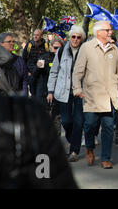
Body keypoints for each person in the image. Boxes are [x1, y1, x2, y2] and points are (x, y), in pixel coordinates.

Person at [0, 0, 77, 188]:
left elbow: (24, 76)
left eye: (13, 42)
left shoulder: (25, 114)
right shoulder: (27, 117)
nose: (12, 45)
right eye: (8, 42)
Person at [72, 21, 118, 169]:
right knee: (90, 125)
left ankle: (105, 158)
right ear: (98, 32)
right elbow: (77, 72)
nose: (111, 32)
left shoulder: (114, 49)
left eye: (110, 30)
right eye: (108, 30)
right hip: (91, 96)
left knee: (109, 127)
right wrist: (77, 88)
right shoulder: (86, 47)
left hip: (110, 96)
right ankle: (90, 148)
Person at [48, 26, 86, 162]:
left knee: (78, 121)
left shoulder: (85, 50)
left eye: (78, 37)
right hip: (63, 92)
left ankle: (74, 150)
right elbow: (54, 72)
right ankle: (72, 140)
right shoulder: (62, 50)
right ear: (70, 37)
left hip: (80, 92)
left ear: (82, 39)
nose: (75, 39)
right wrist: (50, 91)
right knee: (66, 121)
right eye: (73, 37)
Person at [23, 28, 49, 96]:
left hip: (41, 74)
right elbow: (24, 58)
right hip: (31, 73)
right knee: (32, 93)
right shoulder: (29, 45)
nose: (35, 36)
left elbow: (49, 58)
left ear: (41, 36)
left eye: (37, 35)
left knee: (39, 94)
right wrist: (27, 71)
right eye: (34, 35)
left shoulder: (46, 46)